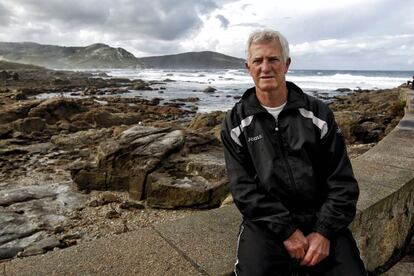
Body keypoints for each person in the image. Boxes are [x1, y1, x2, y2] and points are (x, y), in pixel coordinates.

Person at [220, 29, 367, 276]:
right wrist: (287, 231)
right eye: (258, 60)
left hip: (319, 215)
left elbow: (342, 181)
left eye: (273, 59)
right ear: (248, 67)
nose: (265, 67)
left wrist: (324, 231)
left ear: (286, 64)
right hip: (266, 224)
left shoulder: (318, 114)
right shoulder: (235, 122)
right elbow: (243, 190)